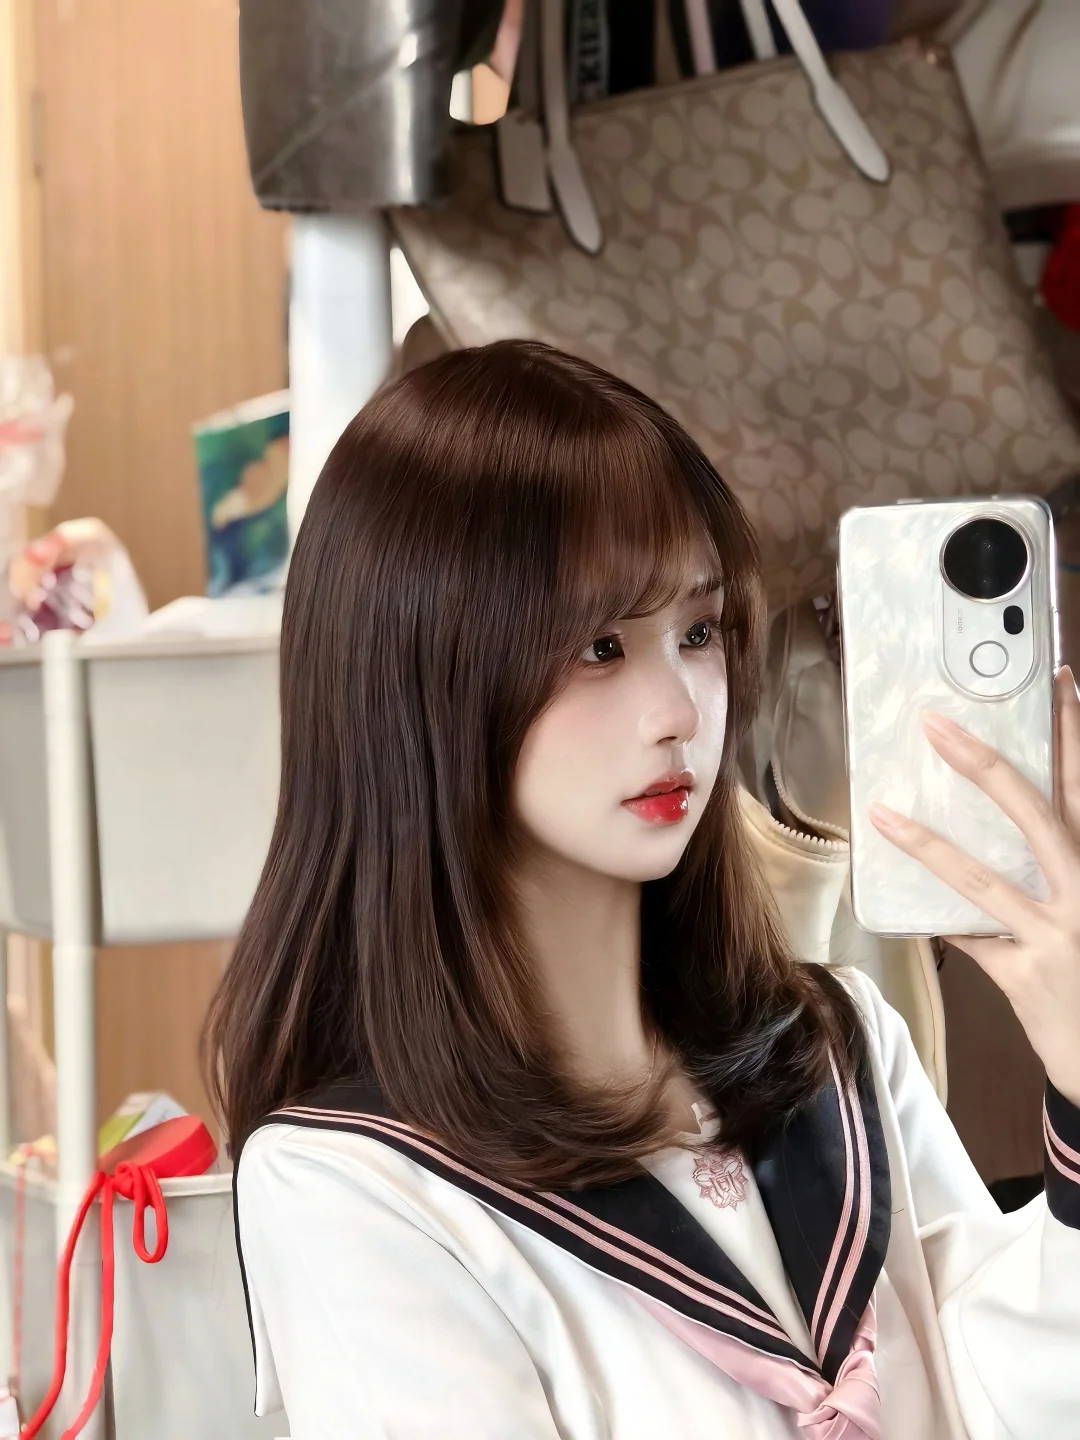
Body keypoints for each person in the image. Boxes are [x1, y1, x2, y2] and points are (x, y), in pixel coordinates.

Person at [203, 340, 1080, 1440]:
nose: (680, 710)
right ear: (422, 676)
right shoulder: (356, 1185)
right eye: (601, 647)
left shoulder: (838, 1046)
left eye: (698, 632)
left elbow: (1014, 1399)